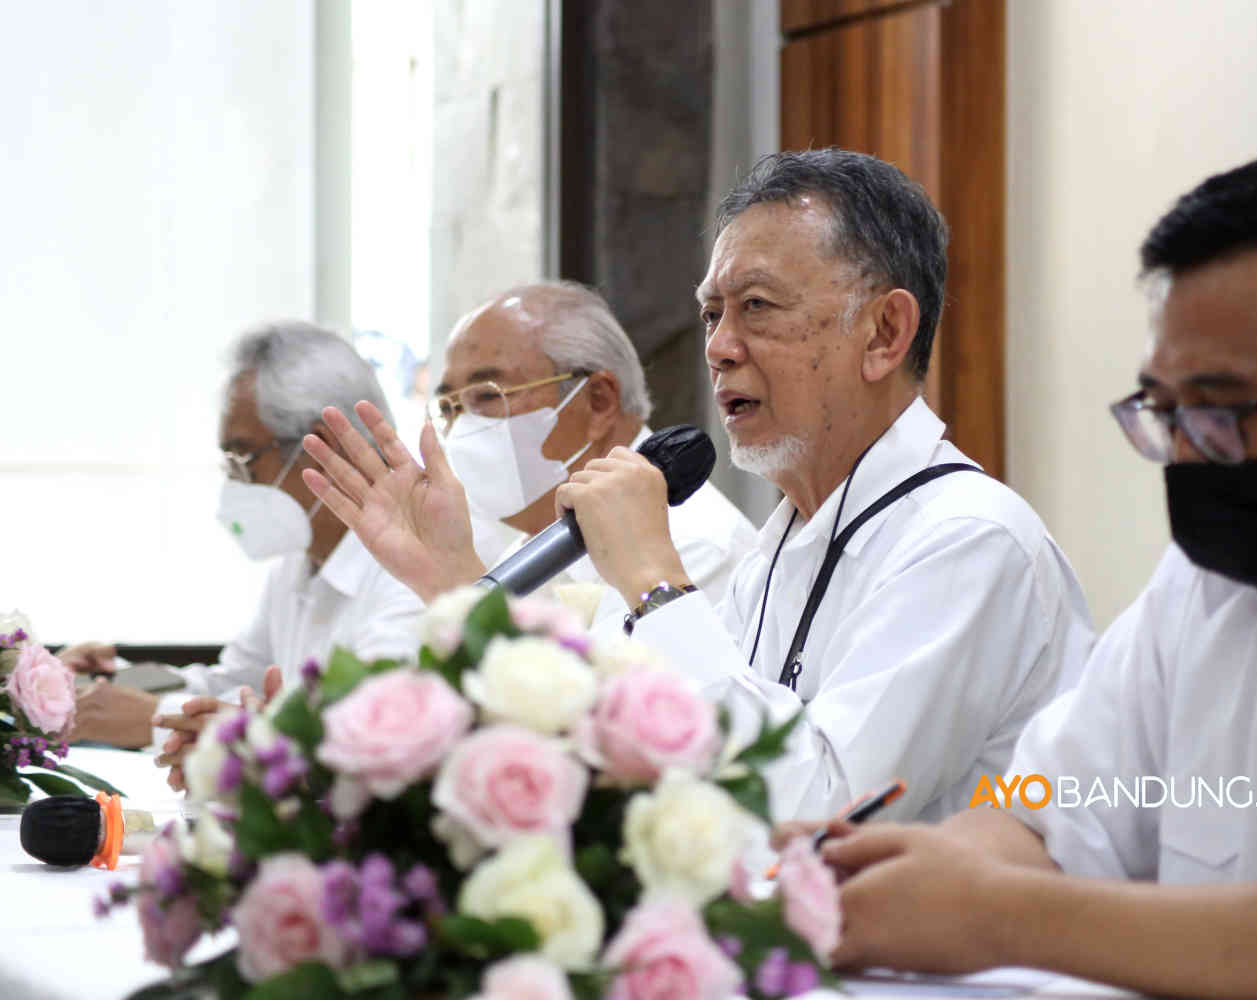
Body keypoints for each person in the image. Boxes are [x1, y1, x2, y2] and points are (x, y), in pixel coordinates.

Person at [814, 150, 1257, 998]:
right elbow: (1042, 802)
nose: (1184, 455)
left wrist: (996, 913)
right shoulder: (1218, 571)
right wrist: (902, 865)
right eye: (1163, 411)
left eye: (1219, 410)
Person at [301, 149, 1095, 823]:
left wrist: (654, 581)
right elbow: (620, 755)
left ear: (884, 333)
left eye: (756, 308)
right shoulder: (789, 540)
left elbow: (817, 818)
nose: (718, 347)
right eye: (712, 313)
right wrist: (454, 585)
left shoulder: (966, 540)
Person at [69, 323, 425, 780]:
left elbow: (352, 738)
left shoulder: (411, 571)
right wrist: (111, 682)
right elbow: (236, 679)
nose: (233, 484)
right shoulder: (299, 564)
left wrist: (154, 720)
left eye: (243, 458)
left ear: (322, 448)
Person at [432, 281, 756, 627]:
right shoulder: (532, 544)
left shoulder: (691, 545)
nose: (463, 427)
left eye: (487, 395)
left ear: (598, 401)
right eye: (449, 408)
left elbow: (601, 681)